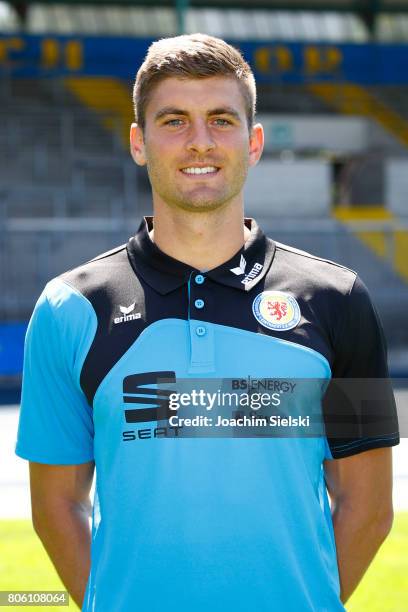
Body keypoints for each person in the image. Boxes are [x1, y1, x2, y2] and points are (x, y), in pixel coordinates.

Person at [16, 33, 399, 611]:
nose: (200, 141)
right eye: (174, 121)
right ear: (139, 143)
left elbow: (369, 506)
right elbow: (55, 506)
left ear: (254, 142)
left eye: (222, 120)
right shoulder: (68, 308)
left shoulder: (341, 298)